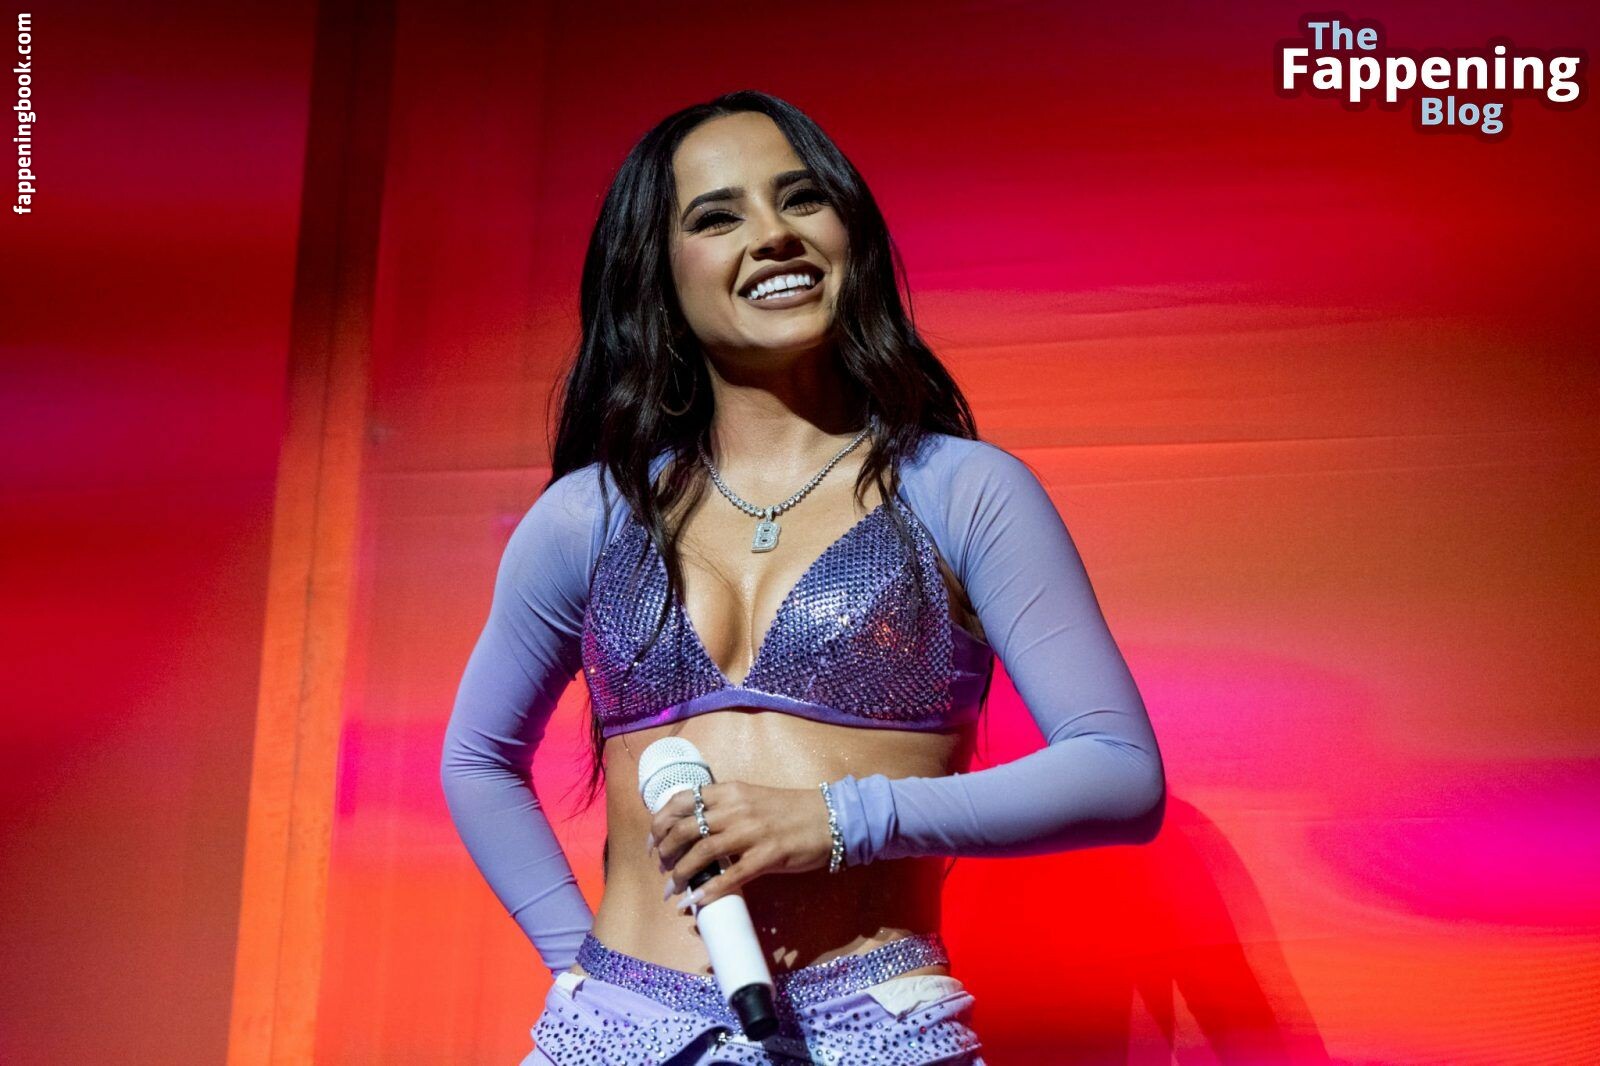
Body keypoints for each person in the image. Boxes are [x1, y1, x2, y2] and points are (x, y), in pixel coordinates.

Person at [440, 90, 1166, 1065]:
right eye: (717, 216)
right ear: (657, 271)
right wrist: (587, 977)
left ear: (849, 233)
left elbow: (1118, 771)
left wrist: (837, 819)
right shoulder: (592, 514)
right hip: (611, 1035)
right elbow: (476, 759)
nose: (774, 234)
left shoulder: (961, 490)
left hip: (874, 1031)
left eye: (801, 199)